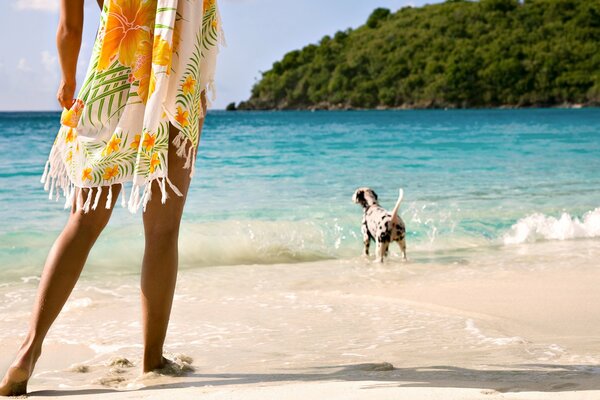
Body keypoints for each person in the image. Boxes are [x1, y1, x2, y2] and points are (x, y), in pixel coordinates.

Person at [0, 0, 223, 395]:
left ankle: (28, 351)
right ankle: (152, 359)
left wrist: (68, 81)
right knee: (162, 229)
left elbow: (71, 29)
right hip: (174, 81)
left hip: (113, 76)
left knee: (83, 221)